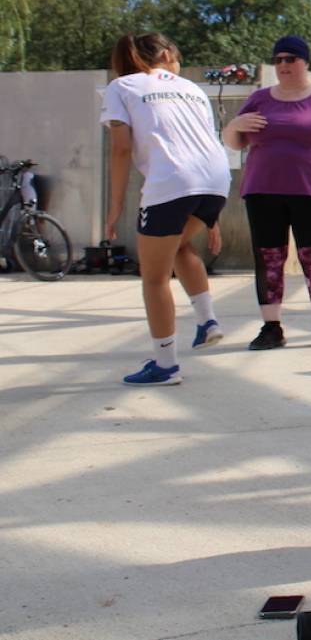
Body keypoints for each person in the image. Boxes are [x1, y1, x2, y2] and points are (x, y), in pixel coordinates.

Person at [102, 33, 231, 386]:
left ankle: (166, 364)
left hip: (172, 182)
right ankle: (207, 322)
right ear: (163, 53)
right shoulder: (193, 89)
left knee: (154, 276)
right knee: (178, 246)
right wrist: (213, 215)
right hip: (216, 181)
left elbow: (121, 150)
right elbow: (206, 141)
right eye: (178, 54)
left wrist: (114, 208)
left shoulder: (122, 86)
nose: (179, 62)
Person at [221, 36, 311, 350]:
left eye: (291, 58)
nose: (283, 65)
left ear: (305, 61)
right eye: (278, 59)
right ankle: (271, 328)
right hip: (263, 189)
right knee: (268, 257)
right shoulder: (259, 98)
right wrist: (234, 124)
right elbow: (234, 142)